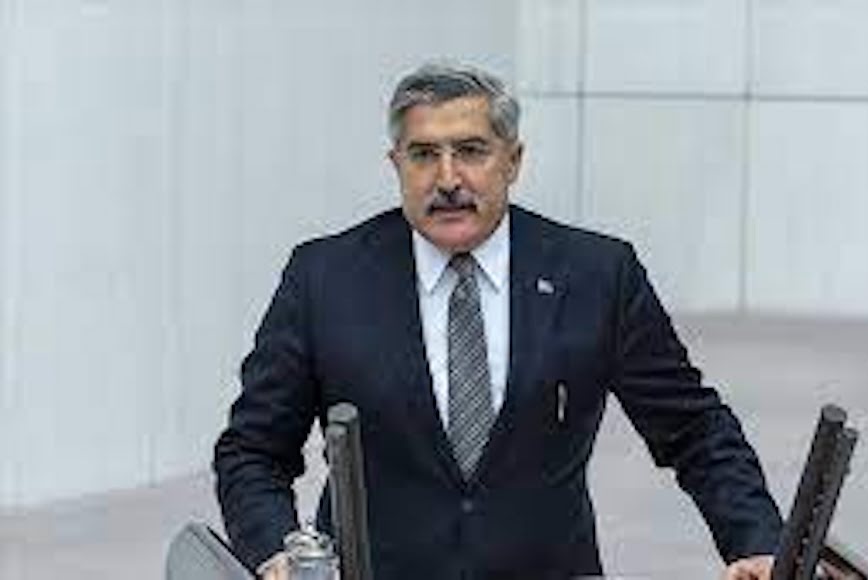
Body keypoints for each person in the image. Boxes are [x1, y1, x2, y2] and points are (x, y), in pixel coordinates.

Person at [214, 61, 782, 580]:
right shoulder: (324, 279)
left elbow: (694, 430)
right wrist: (277, 555)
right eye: (423, 154)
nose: (448, 179)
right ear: (396, 165)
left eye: (471, 151)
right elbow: (253, 449)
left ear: (513, 160)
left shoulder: (597, 275)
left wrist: (756, 541)